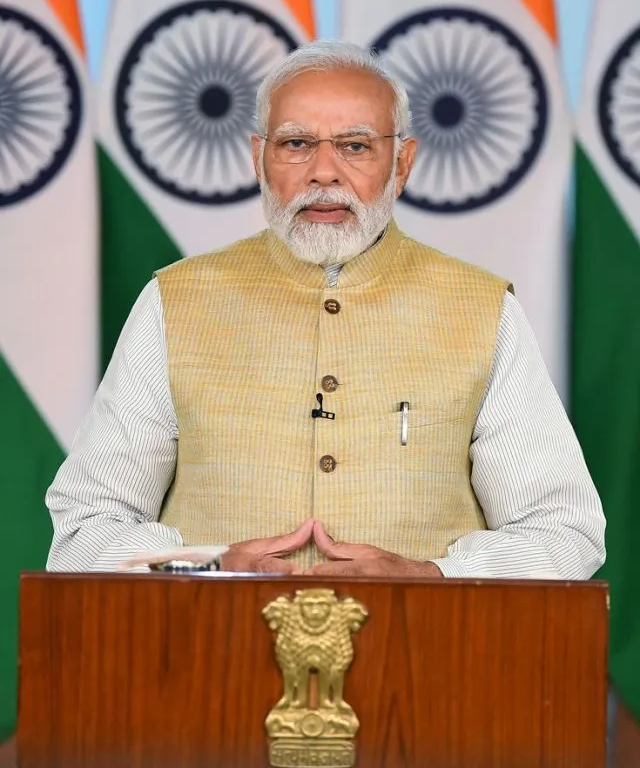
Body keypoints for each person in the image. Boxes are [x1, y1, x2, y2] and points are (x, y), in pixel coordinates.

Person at [45, 41, 605, 579]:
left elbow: (564, 533)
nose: (324, 173)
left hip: (423, 663)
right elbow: (84, 532)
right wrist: (209, 565)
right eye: (295, 144)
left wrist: (433, 575)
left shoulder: (482, 310)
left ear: (402, 163)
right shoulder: (176, 301)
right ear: (258, 159)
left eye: (356, 146)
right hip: (211, 661)